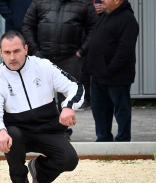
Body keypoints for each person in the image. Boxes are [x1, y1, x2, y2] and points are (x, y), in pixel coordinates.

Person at [0, 31, 84, 183]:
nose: (12, 57)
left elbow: (75, 86)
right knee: (11, 133)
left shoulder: (43, 66)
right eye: (7, 53)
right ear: (1, 53)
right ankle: (19, 182)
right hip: (18, 131)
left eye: (16, 51)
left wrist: (68, 106)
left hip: (48, 128)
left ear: (25, 49)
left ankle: (39, 170)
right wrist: (0, 131)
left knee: (70, 160)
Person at [21, 0, 98, 140]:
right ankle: (41, 132)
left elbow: (94, 28)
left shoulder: (84, 3)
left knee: (67, 97)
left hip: (70, 57)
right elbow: (27, 26)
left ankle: (63, 133)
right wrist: (36, 51)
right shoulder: (39, 2)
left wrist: (80, 52)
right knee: (40, 96)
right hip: (42, 57)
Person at [87, 0, 139, 142]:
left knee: (121, 110)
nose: (101, 0)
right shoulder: (106, 15)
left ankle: (123, 141)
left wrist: (109, 69)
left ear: (117, 0)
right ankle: (103, 140)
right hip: (98, 75)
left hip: (117, 77)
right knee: (100, 111)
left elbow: (125, 50)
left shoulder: (127, 19)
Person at [78, 0, 104, 110]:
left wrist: (105, 8)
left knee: (100, 67)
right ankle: (86, 99)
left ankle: (101, 100)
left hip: (102, 32)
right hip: (85, 36)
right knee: (84, 69)